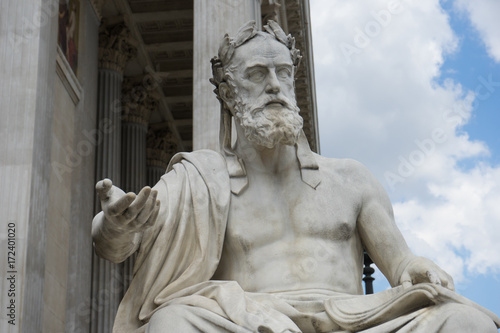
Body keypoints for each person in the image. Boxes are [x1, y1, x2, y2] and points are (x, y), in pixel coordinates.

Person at [92, 21, 500, 333]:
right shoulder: (201, 179)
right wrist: (115, 226)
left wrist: (415, 264)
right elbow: (119, 244)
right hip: (250, 319)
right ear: (229, 94)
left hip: (357, 319)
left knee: (464, 321)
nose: (274, 85)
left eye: (283, 73)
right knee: (172, 323)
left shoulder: (351, 178)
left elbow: (401, 263)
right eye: (256, 75)